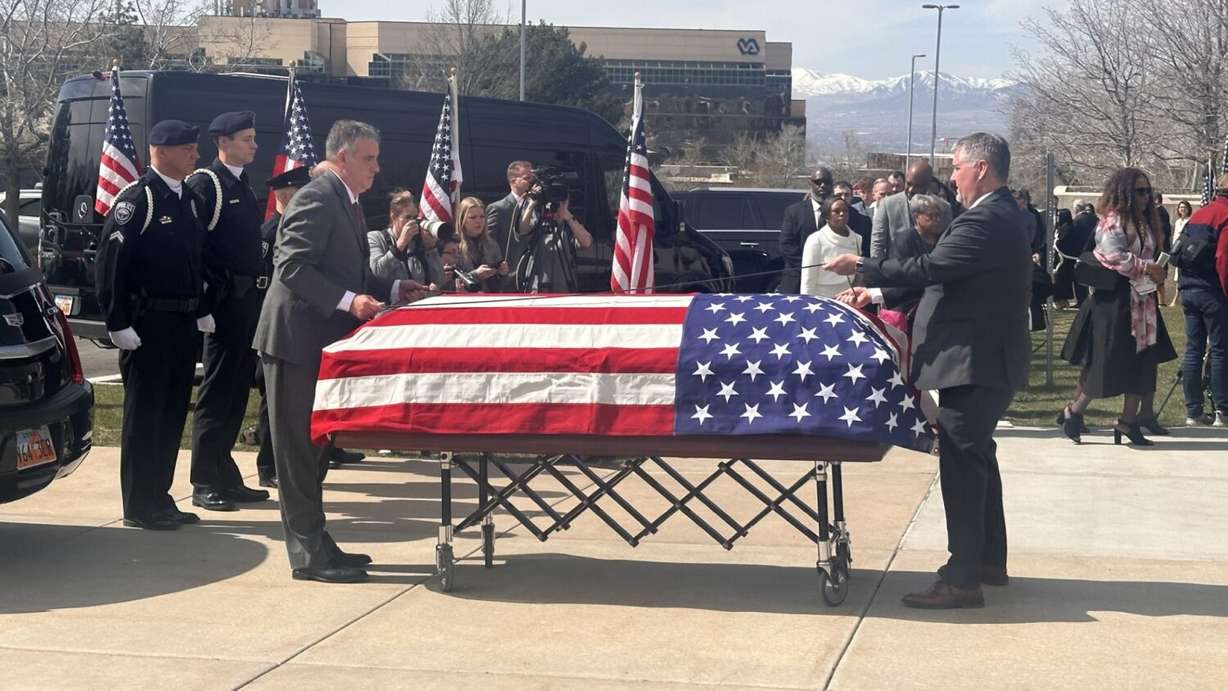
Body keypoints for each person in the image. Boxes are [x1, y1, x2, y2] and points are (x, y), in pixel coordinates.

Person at [825, 132, 1032, 609]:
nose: (952, 177)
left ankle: (962, 579)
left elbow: (932, 268)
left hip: (975, 362)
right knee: (977, 456)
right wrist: (875, 292)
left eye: (957, 167)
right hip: (979, 359)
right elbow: (944, 277)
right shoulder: (996, 215)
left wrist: (864, 264)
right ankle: (987, 561)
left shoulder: (987, 219)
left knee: (962, 463)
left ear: (980, 168)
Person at [253, 120, 426, 583]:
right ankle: (308, 554)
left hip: (319, 342)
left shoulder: (344, 199)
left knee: (315, 450)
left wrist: (393, 288)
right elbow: (292, 267)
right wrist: (351, 303)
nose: (377, 168)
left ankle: (317, 540)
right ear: (343, 157)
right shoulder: (316, 196)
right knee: (297, 451)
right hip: (294, 342)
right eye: (369, 158)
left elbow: (346, 270)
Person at [96, 120, 209, 531]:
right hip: (148, 325)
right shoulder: (138, 200)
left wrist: (202, 307)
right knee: (145, 415)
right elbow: (111, 264)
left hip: (181, 322)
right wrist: (117, 322)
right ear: (160, 151)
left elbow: (195, 260)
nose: (195, 156)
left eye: (194, 148)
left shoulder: (189, 200)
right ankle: (139, 503)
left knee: (172, 412)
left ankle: (160, 496)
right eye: (187, 149)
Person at [185, 111, 270, 512]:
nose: (254, 145)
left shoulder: (241, 183)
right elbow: (194, 249)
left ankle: (224, 471)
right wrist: (205, 305)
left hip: (246, 302)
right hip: (222, 304)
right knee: (217, 392)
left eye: (253, 138)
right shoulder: (207, 184)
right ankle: (204, 478)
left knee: (237, 391)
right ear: (223, 142)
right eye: (247, 138)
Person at [1057, 168, 1177, 446]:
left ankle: (1128, 420)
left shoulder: (1144, 222)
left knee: (1142, 361)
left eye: (1148, 191)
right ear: (1124, 192)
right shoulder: (1112, 221)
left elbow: (1145, 255)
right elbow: (1113, 256)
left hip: (1143, 299)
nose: (1146, 197)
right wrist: (1147, 267)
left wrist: (1155, 271)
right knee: (1108, 360)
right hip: (1115, 301)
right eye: (1140, 192)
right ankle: (1075, 411)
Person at [250, 165, 313, 489]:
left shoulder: (295, 229)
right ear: (288, 197)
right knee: (272, 401)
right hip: (272, 327)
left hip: (294, 328)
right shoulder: (270, 233)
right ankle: (268, 465)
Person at [1174, 175, 1228, 426]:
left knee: (1194, 349)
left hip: (1188, 289)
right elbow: (1223, 259)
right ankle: (1223, 409)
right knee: (1220, 349)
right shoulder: (1225, 216)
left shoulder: (1199, 214)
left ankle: (1193, 410)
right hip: (1213, 291)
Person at [513, 178, 592, 292]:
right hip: (537, 290)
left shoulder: (569, 225)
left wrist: (568, 216)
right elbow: (521, 231)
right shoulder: (536, 221)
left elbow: (586, 243)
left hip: (563, 289)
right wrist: (531, 204)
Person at [870, 160, 952, 259]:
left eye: (917, 186)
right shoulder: (888, 204)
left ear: (928, 184)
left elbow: (947, 243)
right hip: (895, 265)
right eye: (908, 184)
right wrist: (879, 267)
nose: (911, 189)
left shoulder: (943, 208)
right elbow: (877, 244)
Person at [368, 188, 443, 288]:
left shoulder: (418, 242)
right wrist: (400, 245)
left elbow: (439, 280)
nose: (412, 222)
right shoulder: (376, 238)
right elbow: (377, 273)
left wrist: (431, 248)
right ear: (394, 217)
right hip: (390, 298)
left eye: (415, 217)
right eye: (407, 217)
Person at [778, 167, 834, 293]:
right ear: (810, 183)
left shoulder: (842, 213)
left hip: (832, 281)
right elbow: (786, 245)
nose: (822, 186)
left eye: (826, 182)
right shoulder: (794, 212)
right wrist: (811, 266)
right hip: (797, 279)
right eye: (818, 182)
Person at [800, 196, 861, 298]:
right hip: (822, 298)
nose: (842, 214)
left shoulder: (857, 239)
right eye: (836, 211)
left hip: (848, 297)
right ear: (827, 216)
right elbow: (808, 278)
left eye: (845, 211)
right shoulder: (815, 239)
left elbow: (859, 272)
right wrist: (807, 301)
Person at [486, 160, 533, 276]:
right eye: (527, 178)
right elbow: (488, 243)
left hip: (533, 273)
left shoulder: (537, 206)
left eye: (532, 178)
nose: (532, 182)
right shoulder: (499, 209)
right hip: (509, 275)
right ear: (513, 181)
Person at [456, 196, 509, 292]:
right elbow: (449, 281)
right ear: (462, 220)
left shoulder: (492, 244)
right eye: (473, 217)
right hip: (465, 298)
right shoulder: (454, 245)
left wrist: (502, 273)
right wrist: (476, 275)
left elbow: (501, 285)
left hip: (490, 297)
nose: (479, 221)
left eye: (482, 217)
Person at [1168, 200, 1193, 307]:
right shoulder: (1178, 222)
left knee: (1181, 275)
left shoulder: (1190, 221)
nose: (1182, 209)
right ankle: (1177, 298)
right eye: (1181, 207)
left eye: (1184, 207)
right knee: (1177, 276)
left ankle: (1176, 298)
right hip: (1176, 252)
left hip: (1184, 252)